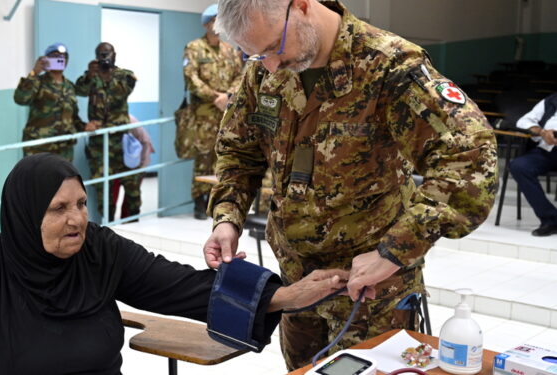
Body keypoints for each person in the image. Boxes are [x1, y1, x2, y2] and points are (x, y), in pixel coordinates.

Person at [205, 0, 498, 370]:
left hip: (372, 288)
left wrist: (394, 251)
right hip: (298, 282)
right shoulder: (265, 69)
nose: (270, 66)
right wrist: (227, 217)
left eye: (272, 49)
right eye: (254, 56)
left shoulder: (390, 65)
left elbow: (470, 155)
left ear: (302, 7)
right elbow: (238, 150)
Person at [0, 154, 348, 375]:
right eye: (58, 209)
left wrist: (283, 296)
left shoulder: (100, 252)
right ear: (25, 214)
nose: (77, 219)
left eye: (82, 204)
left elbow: (181, 286)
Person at [183, 4, 244, 219]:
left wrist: (227, 96)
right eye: (213, 22)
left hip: (226, 113)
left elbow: (240, 76)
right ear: (206, 24)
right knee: (203, 157)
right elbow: (192, 78)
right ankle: (199, 203)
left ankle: (218, 202)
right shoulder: (194, 47)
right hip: (203, 115)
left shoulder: (230, 50)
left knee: (225, 157)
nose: (217, 27)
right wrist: (214, 97)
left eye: (220, 22)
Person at [75, 42, 140, 221]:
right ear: (96, 56)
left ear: (114, 55)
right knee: (104, 188)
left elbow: (126, 90)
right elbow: (78, 90)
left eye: (108, 54)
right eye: (101, 54)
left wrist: (109, 72)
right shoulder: (91, 77)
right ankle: (109, 222)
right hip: (99, 142)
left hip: (121, 140)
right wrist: (89, 74)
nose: (105, 58)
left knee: (132, 184)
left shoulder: (125, 75)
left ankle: (133, 220)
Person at [14, 42, 91, 160]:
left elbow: (73, 117)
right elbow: (20, 99)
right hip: (39, 148)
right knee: (38, 178)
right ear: (46, 60)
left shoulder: (69, 86)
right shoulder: (37, 82)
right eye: (54, 57)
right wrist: (34, 73)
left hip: (64, 148)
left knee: (63, 178)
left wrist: (85, 127)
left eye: (62, 57)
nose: (59, 59)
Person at [510, 93, 557, 236]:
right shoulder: (552, 100)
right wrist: (542, 132)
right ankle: (550, 219)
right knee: (519, 166)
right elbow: (523, 121)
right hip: (547, 150)